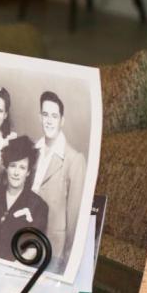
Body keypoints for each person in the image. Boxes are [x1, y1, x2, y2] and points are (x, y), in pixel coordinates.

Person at [31, 90, 86, 272]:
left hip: (54, 249)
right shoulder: (33, 151)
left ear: (62, 120)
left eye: (54, 116)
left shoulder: (74, 159)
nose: (49, 120)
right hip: (26, 242)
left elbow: (74, 214)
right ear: (40, 117)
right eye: (45, 115)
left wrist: (67, 254)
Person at [0, 136, 49, 261]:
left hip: (14, 268)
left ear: (28, 172)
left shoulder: (39, 206)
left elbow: (33, 248)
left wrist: (12, 268)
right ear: (6, 167)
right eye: (13, 166)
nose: (16, 173)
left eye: (22, 167)